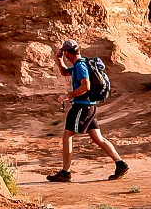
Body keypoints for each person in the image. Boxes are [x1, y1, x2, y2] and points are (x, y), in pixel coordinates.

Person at [45, 39, 129, 182]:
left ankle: (66, 172)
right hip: (90, 106)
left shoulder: (80, 66)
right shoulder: (81, 63)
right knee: (97, 138)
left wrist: (68, 95)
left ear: (67, 53)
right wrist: (59, 60)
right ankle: (121, 164)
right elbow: (65, 72)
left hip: (82, 107)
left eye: (64, 53)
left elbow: (86, 86)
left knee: (68, 136)